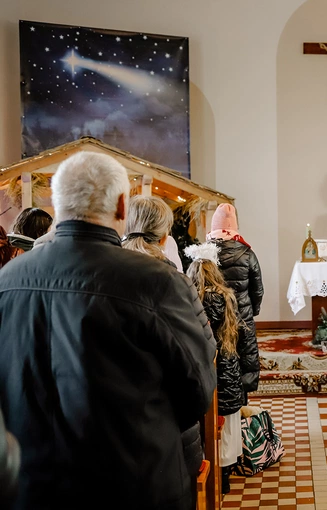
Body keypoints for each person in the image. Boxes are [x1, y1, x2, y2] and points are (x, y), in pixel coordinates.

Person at [0, 152, 216, 510]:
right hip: (136, 484)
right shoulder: (156, 281)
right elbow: (197, 388)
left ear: (58, 204)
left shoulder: (6, 282)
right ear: (121, 205)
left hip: (33, 488)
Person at [121, 194, 204, 492]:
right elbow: (198, 355)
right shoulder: (170, 276)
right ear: (165, 234)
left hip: (111, 421)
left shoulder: (102, 269)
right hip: (164, 422)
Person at [185, 243, 246, 495]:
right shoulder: (225, 295)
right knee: (228, 422)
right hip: (228, 364)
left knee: (208, 421)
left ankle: (209, 467)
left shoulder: (192, 299)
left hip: (206, 365)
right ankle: (226, 472)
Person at [207, 203, 262, 394]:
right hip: (241, 315)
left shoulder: (205, 254)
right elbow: (257, 289)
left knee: (221, 361)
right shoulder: (247, 253)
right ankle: (242, 402)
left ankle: (219, 407)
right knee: (244, 357)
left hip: (214, 318)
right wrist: (252, 311)